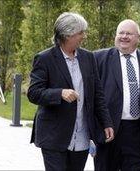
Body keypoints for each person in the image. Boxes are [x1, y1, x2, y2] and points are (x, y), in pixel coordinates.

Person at [27, 12, 114, 171]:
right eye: (80, 32)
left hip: (81, 135)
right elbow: (33, 93)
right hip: (54, 136)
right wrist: (59, 93)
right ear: (68, 34)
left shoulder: (88, 57)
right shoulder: (45, 58)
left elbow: (97, 95)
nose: (84, 36)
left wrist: (106, 122)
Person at [93, 19, 140, 171]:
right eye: (121, 33)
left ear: (139, 37)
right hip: (108, 130)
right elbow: (90, 97)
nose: (124, 36)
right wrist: (92, 130)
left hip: (138, 131)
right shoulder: (98, 58)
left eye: (129, 33)